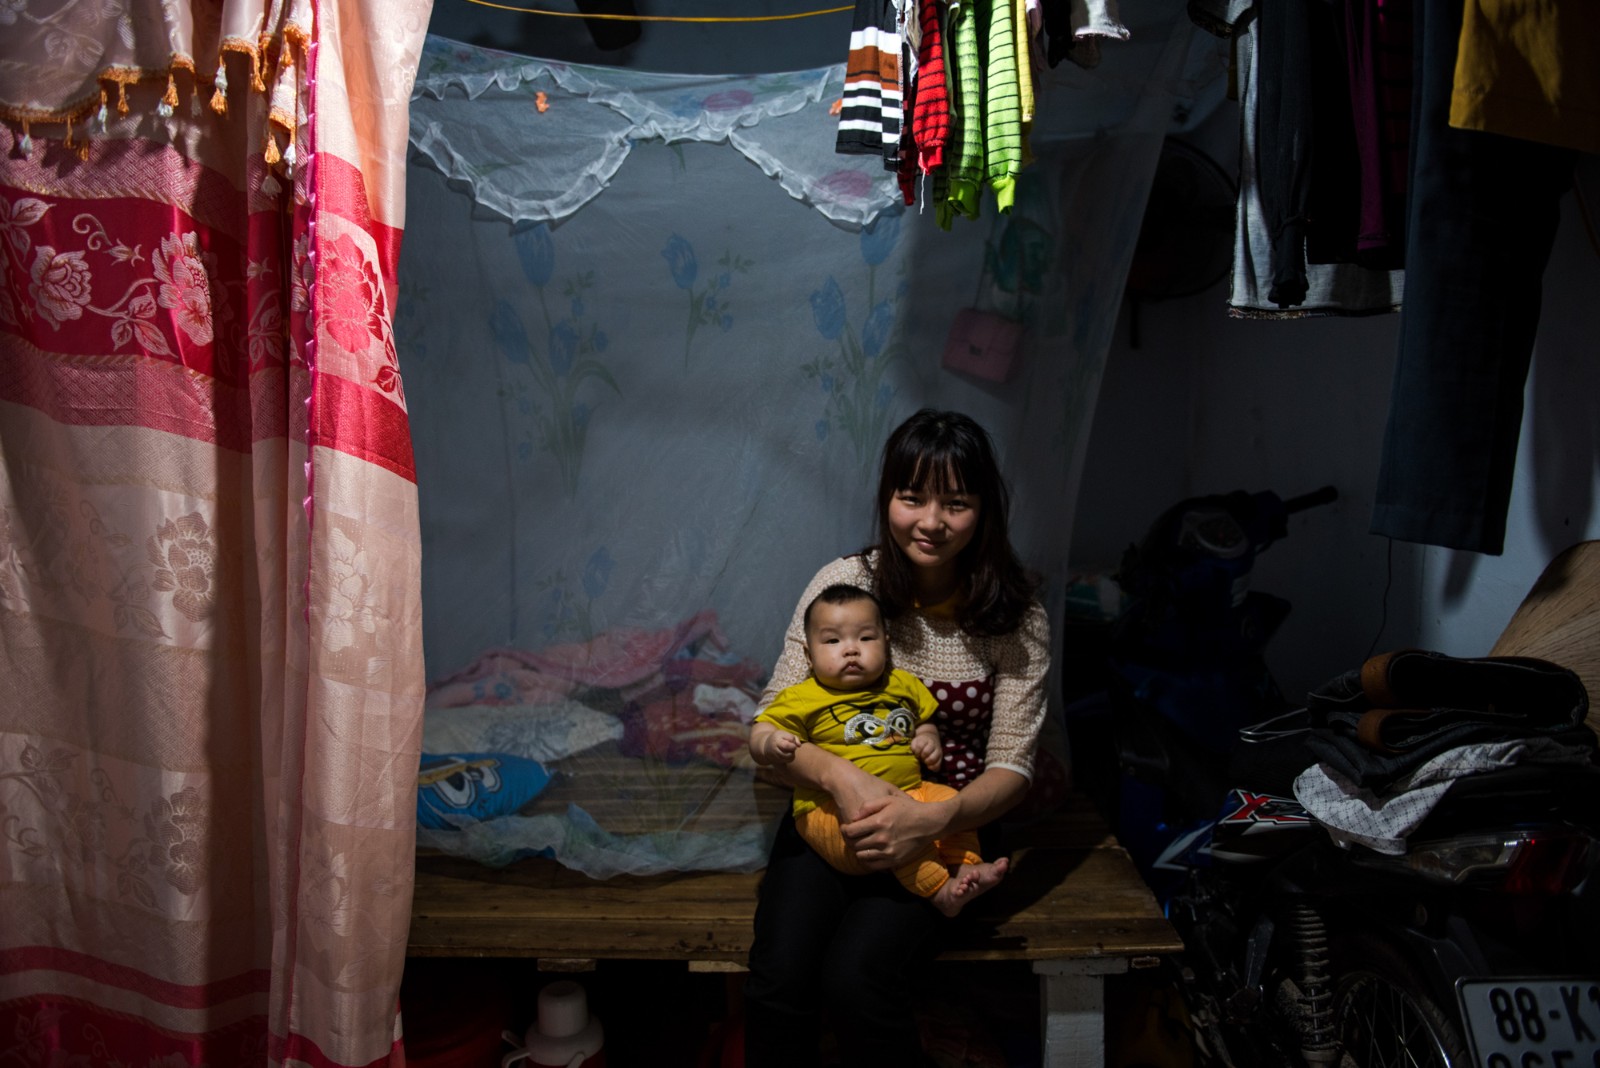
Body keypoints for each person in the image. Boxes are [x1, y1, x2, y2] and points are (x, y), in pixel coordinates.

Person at [743, 409, 1052, 1068]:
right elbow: (769, 727)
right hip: (827, 815)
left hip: (949, 825)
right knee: (778, 977)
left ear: (985, 511)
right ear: (887, 498)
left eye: (956, 503)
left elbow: (1013, 769)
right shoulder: (842, 586)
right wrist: (841, 777)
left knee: (857, 980)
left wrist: (931, 818)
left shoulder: (1017, 616)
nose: (930, 521)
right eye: (912, 497)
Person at [749, 583, 1010, 917]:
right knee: (889, 830)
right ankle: (939, 890)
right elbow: (760, 734)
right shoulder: (801, 697)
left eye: (865, 638)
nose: (851, 650)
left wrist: (927, 738)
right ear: (809, 656)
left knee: (949, 801)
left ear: (885, 643)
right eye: (833, 641)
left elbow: (924, 720)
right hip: (830, 811)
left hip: (910, 792)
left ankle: (964, 866)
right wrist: (770, 743)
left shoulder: (901, 684)